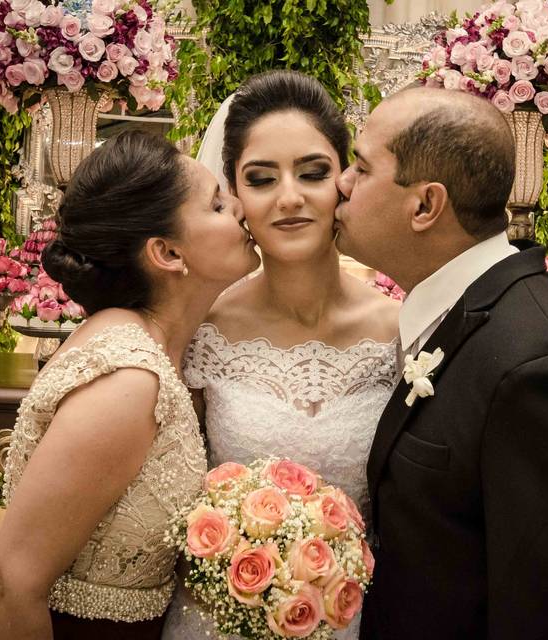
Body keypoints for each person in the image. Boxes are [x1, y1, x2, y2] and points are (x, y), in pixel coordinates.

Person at [334, 87, 548, 639]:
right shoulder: (457, 311)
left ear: (425, 205)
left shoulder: (546, 368)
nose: (341, 184)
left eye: (360, 166)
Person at [0, 131, 259, 640]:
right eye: (217, 204)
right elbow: (9, 584)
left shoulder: (160, 346)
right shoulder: (127, 381)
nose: (242, 208)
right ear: (166, 252)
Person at [161, 70, 399, 640]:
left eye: (313, 173)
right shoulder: (203, 329)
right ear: (235, 195)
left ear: (344, 181)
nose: (290, 197)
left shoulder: (402, 331)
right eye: (262, 179)